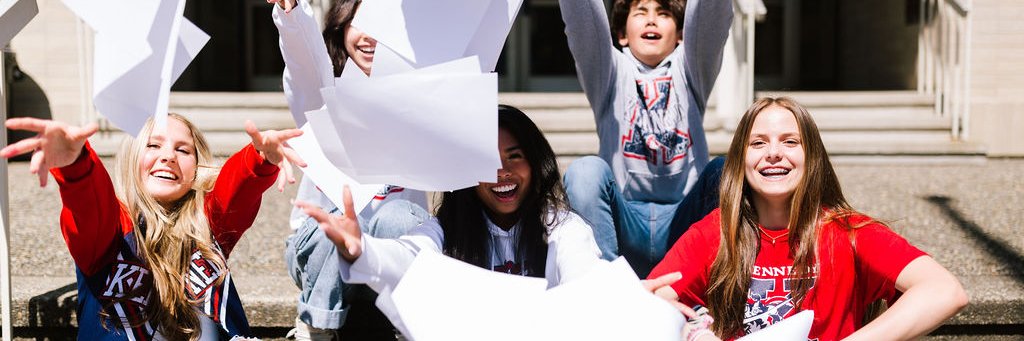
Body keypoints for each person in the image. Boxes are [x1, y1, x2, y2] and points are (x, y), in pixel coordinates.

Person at [648, 97, 969, 340]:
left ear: (811, 156)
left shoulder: (850, 232)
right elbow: (653, 301)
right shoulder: (715, 232)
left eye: (790, 141)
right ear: (741, 160)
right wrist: (682, 326)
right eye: (758, 143)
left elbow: (945, 291)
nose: (773, 153)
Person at [1, 114, 304, 340]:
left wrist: (260, 159)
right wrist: (75, 164)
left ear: (196, 167)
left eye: (183, 150)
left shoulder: (208, 223)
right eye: (153, 145)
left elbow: (235, 190)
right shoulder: (110, 230)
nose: (168, 156)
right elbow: (88, 206)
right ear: (131, 158)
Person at [296, 105, 605, 299]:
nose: (502, 172)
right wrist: (363, 248)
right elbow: (409, 255)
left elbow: (583, 271)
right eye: (487, 160)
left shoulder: (560, 226)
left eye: (515, 156)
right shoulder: (449, 229)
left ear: (536, 164)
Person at [270, 0, 431, 339]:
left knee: (399, 217)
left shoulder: (422, 99)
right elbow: (303, 63)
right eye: (360, 24)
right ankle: (315, 329)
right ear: (342, 28)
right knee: (334, 224)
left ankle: (410, 324)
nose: (370, 36)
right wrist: (291, 13)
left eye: (383, 27)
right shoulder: (322, 94)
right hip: (320, 261)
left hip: (392, 256)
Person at [558, 0, 733, 277]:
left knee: (724, 171)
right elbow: (584, 26)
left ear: (681, 34)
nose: (651, 20)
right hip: (623, 223)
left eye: (663, 14)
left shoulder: (692, 71)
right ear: (621, 35)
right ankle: (601, 285)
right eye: (641, 13)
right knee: (584, 171)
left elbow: (711, 19)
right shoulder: (608, 72)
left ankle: (714, 288)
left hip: (686, 225)